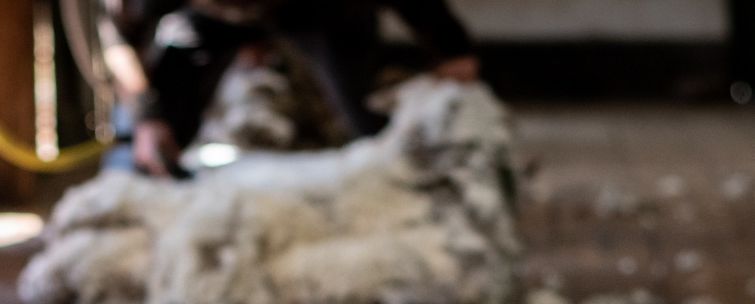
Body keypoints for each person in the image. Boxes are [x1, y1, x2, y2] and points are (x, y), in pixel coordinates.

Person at [104, 0, 478, 176]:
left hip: (314, 8)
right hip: (208, 16)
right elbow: (118, 39)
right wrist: (145, 118)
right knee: (148, 145)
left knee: (370, 125)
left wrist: (452, 48)